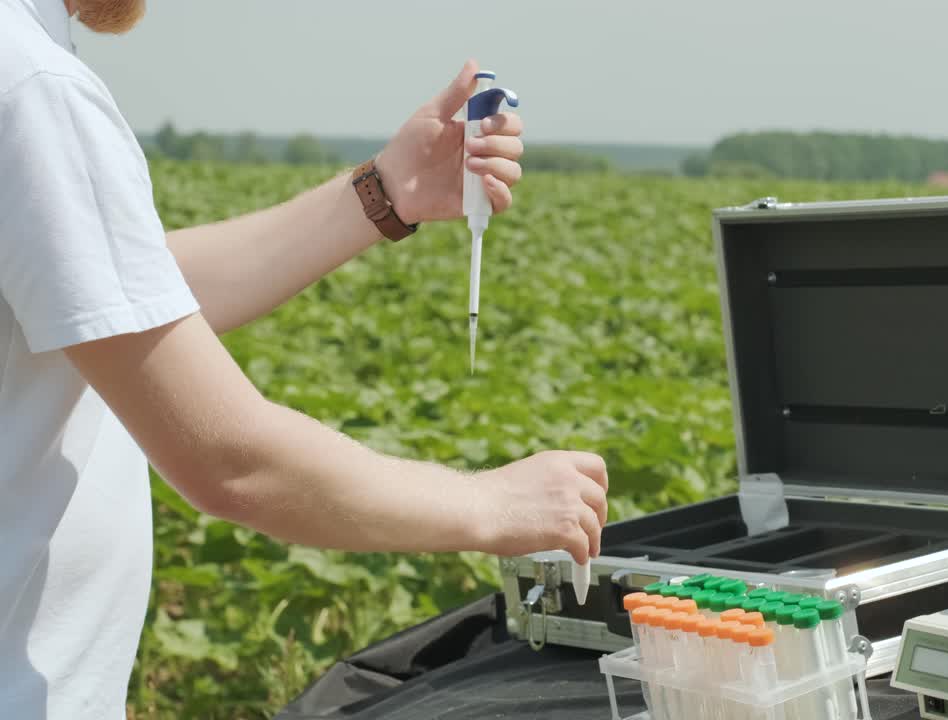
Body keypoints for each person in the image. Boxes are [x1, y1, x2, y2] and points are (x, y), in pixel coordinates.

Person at [0, 1, 610, 717]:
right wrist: (494, 502)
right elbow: (231, 461)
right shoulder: (33, 85)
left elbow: (121, 300)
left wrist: (386, 193)